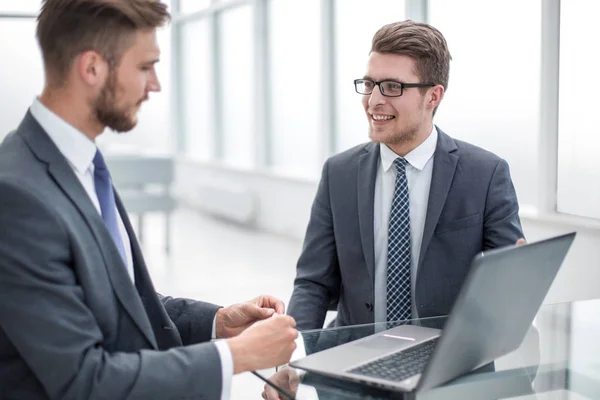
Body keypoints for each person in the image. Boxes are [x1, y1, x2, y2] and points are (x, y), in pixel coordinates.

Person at [0, 1, 297, 399]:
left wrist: (218, 323)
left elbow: (117, 302)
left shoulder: (84, 166)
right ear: (92, 68)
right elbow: (84, 380)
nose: (155, 84)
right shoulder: (18, 195)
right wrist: (234, 356)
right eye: (145, 67)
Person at [288, 20, 525, 331]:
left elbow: (507, 289)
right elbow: (312, 283)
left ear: (433, 96)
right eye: (370, 84)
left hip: (446, 362)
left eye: (392, 87)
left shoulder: (486, 174)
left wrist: (520, 280)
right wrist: (291, 354)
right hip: (354, 358)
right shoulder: (339, 173)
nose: (373, 101)